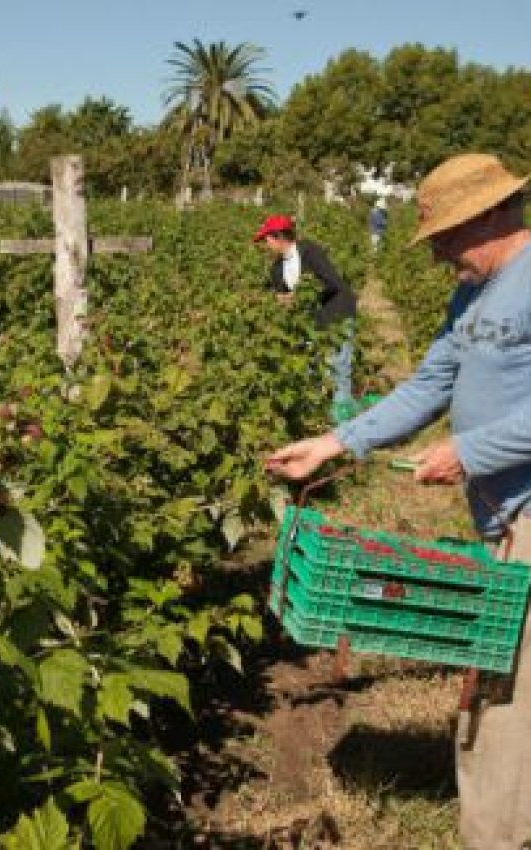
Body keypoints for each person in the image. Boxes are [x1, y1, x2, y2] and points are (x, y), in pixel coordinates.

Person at [265, 152, 531, 850]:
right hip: (505, 516)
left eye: (446, 235)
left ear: (492, 215)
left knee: (501, 705)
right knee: (498, 687)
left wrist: (472, 451)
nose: (440, 253)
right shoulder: (472, 294)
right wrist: (335, 443)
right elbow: (427, 386)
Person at [253, 214, 357, 422]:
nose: (266, 245)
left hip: (337, 312)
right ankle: (318, 417)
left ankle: (342, 421)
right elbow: (280, 295)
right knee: (311, 368)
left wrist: (298, 295)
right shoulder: (276, 269)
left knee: (338, 366)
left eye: (267, 239)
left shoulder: (311, 252)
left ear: (279, 236)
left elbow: (333, 283)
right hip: (310, 321)